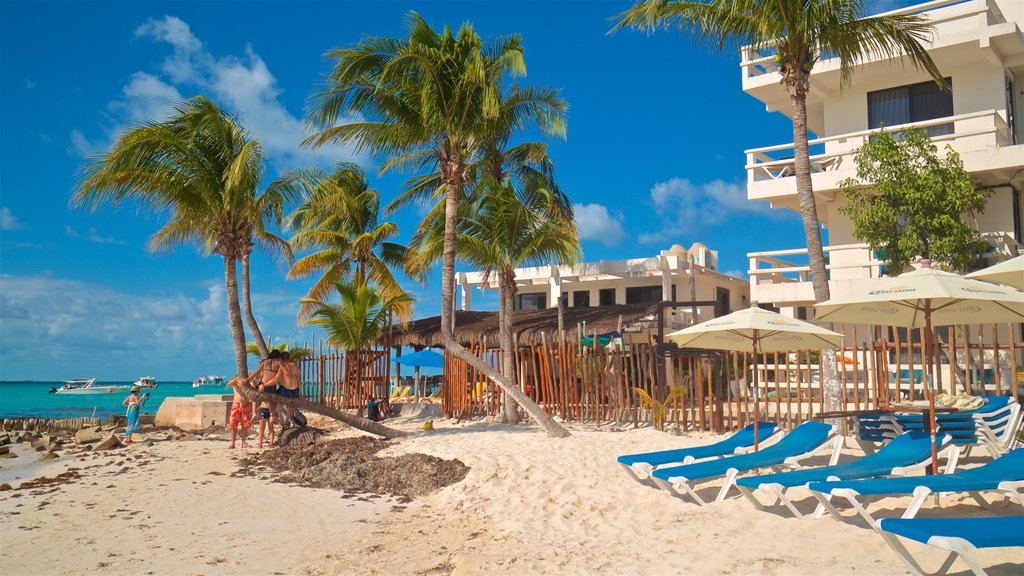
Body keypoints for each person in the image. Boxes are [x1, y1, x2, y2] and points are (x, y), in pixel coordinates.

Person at [264, 350, 301, 433]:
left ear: (281, 358)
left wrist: (264, 385)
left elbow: (275, 379)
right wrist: (299, 392)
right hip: (294, 388)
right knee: (292, 405)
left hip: (285, 388)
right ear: (289, 357)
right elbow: (298, 380)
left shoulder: (282, 366)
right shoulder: (295, 366)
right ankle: (287, 419)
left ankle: (273, 416)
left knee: (275, 401)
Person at [226, 376, 251, 449]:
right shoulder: (235, 382)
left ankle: (244, 443)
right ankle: (233, 443)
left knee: (244, 425)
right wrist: (237, 378)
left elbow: (254, 386)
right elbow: (228, 384)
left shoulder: (247, 382)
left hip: (245, 404)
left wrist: (249, 379)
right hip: (236, 404)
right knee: (234, 425)